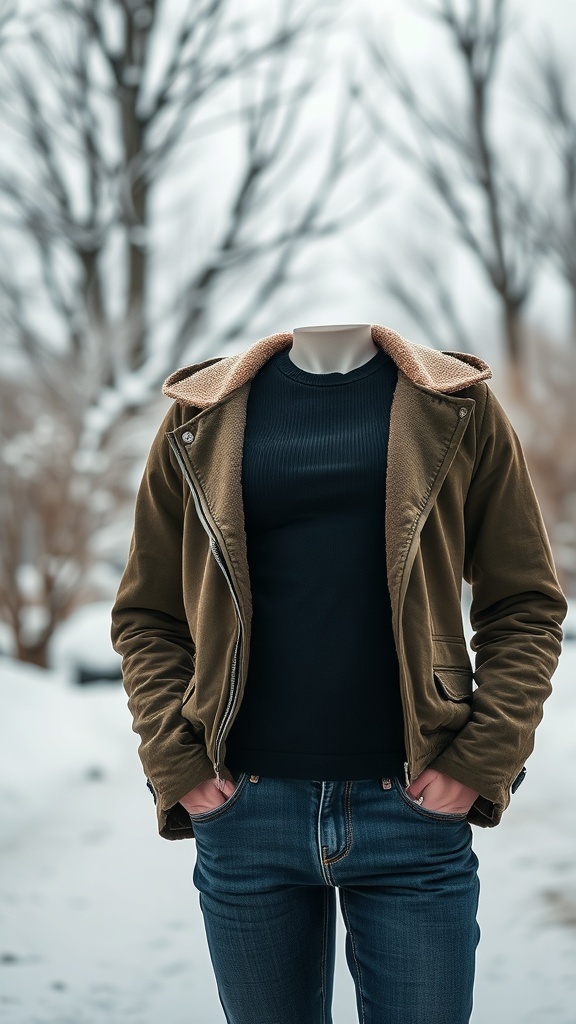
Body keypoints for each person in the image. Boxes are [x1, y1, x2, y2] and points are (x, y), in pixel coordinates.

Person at [111, 322, 567, 1024]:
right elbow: (149, 615)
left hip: (412, 809)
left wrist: (482, 760)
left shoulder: (458, 403)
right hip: (245, 811)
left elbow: (525, 606)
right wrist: (177, 763)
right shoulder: (200, 414)